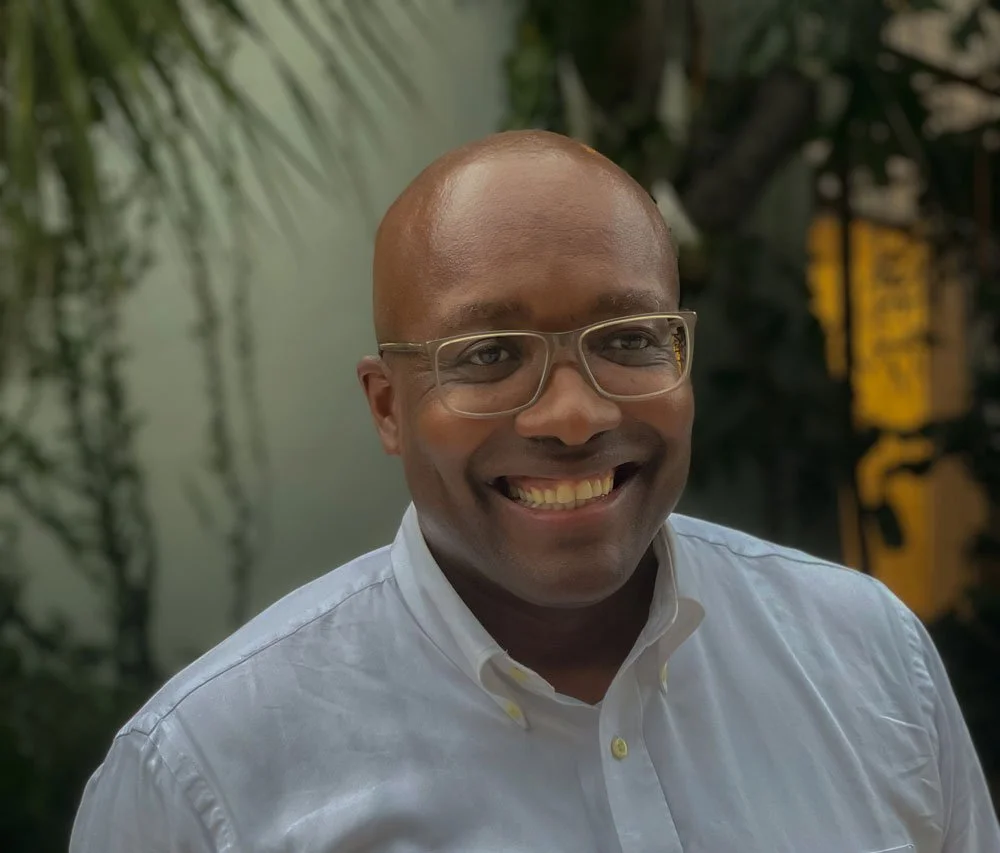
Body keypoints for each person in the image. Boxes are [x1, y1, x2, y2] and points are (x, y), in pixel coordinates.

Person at [71, 130, 999, 853]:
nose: (571, 415)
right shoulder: (203, 777)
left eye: (630, 338)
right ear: (388, 406)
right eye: (487, 355)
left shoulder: (867, 657)